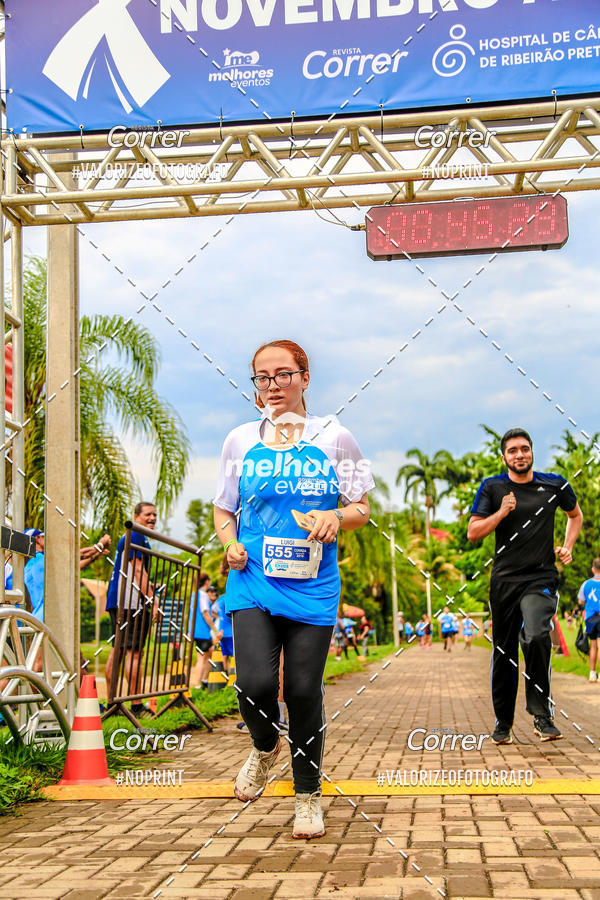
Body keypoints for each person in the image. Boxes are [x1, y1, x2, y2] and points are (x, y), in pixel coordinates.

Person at [213, 339, 373, 840]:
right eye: (262, 377)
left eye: (283, 374)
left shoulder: (335, 437)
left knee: (303, 691)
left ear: (304, 377)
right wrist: (231, 543)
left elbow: (362, 509)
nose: (272, 385)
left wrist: (334, 516)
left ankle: (307, 796)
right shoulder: (240, 440)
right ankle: (264, 748)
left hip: (313, 585)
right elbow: (224, 509)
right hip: (253, 579)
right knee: (255, 686)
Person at [468, 427, 583, 744]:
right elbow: (473, 532)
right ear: (503, 456)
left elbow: (575, 515)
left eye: (525, 449)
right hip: (504, 580)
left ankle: (542, 716)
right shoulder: (492, 487)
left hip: (541, 578)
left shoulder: (554, 484)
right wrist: (501, 512)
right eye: (513, 450)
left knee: (535, 636)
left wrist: (568, 545)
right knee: (504, 652)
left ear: (532, 452)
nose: (520, 454)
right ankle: (503, 722)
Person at [105, 502, 158, 719]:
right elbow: (138, 570)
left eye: (155, 514)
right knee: (134, 653)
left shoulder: (135, 535)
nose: (152, 518)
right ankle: (135, 705)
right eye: (147, 514)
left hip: (119, 600)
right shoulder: (136, 534)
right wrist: (153, 601)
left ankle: (112, 702)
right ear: (136, 516)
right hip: (131, 603)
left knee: (117, 651)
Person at [189, 573, 220, 688]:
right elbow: (205, 613)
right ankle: (197, 684)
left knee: (208, 655)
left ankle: (204, 681)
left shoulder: (194, 594)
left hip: (197, 631)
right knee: (201, 658)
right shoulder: (202, 595)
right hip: (202, 631)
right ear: (206, 581)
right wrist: (215, 630)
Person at [578, 558, 600, 682]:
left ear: (593, 569)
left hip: (591, 618)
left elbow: (581, 601)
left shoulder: (586, 584)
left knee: (593, 647)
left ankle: (592, 673)